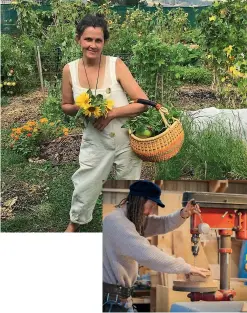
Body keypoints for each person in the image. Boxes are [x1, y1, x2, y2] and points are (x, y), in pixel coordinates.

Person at [61, 14, 148, 232]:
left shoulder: (115, 65)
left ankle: (126, 227)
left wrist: (111, 113)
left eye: (98, 40)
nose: (93, 45)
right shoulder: (69, 70)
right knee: (86, 185)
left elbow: (143, 103)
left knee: (128, 187)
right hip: (95, 141)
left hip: (125, 141)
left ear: (104, 42)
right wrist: (83, 108)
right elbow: (65, 105)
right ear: (78, 39)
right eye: (88, 39)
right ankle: (75, 223)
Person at [103, 180, 209, 312]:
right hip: (111, 301)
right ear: (140, 200)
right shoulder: (117, 223)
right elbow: (148, 254)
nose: (151, 211)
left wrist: (183, 213)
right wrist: (186, 267)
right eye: (151, 205)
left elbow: (163, 223)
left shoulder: (130, 219)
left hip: (120, 298)